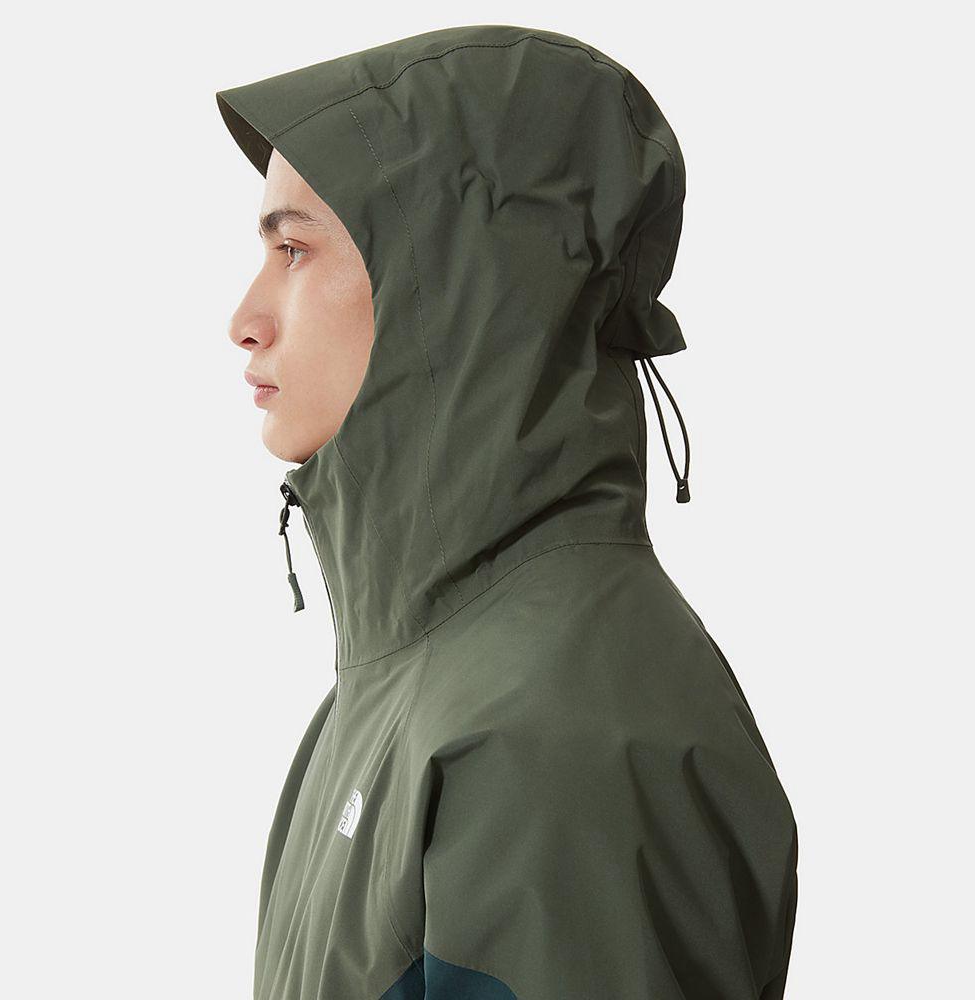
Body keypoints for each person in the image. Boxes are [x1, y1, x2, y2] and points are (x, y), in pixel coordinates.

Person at [219, 23, 798, 1000]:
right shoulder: (395, 695)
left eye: (293, 250)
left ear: (453, 280)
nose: (245, 317)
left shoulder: (561, 730)